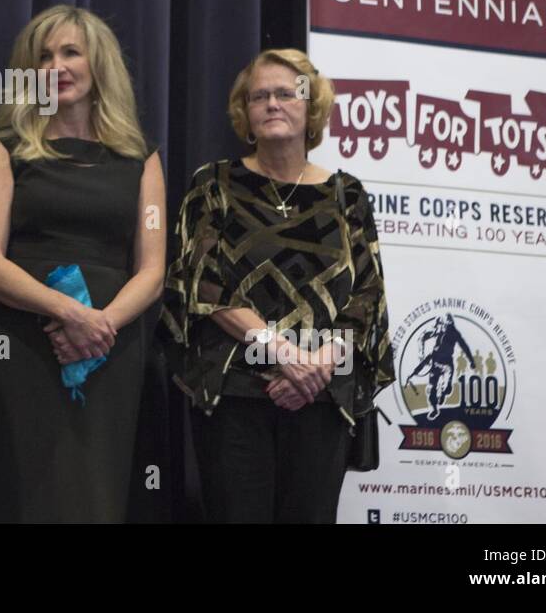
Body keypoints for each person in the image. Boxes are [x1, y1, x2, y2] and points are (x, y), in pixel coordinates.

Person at [0, 5, 166, 522]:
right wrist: (70, 315)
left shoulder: (141, 158)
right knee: (19, 493)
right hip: (18, 346)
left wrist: (100, 325)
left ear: (99, 65)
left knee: (94, 498)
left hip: (111, 348)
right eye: (43, 56)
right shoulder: (4, 149)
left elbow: (152, 270)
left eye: (71, 52)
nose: (57, 66)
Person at [161, 48, 393, 523]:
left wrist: (317, 369)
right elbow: (203, 286)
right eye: (259, 95)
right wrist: (285, 357)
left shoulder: (347, 195)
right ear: (244, 112)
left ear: (311, 109)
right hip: (236, 394)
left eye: (286, 94)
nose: (271, 103)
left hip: (322, 395)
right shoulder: (215, 186)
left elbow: (367, 298)